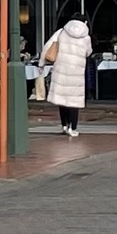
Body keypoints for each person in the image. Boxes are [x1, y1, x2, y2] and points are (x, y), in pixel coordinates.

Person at [41, 8, 93, 138]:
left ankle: (64, 125)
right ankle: (73, 128)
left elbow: (47, 46)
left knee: (62, 99)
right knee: (74, 102)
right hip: (76, 72)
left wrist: (41, 63)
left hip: (61, 70)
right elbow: (88, 52)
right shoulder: (86, 37)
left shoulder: (61, 32)